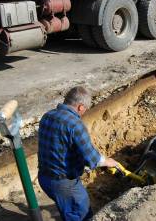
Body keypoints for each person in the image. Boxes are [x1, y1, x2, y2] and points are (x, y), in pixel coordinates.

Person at [38, 86, 118, 221]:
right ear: (81, 107)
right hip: (63, 184)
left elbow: (60, 146)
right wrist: (109, 161)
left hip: (44, 178)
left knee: (67, 209)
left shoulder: (47, 116)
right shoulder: (75, 124)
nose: (84, 112)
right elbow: (93, 158)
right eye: (85, 109)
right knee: (82, 213)